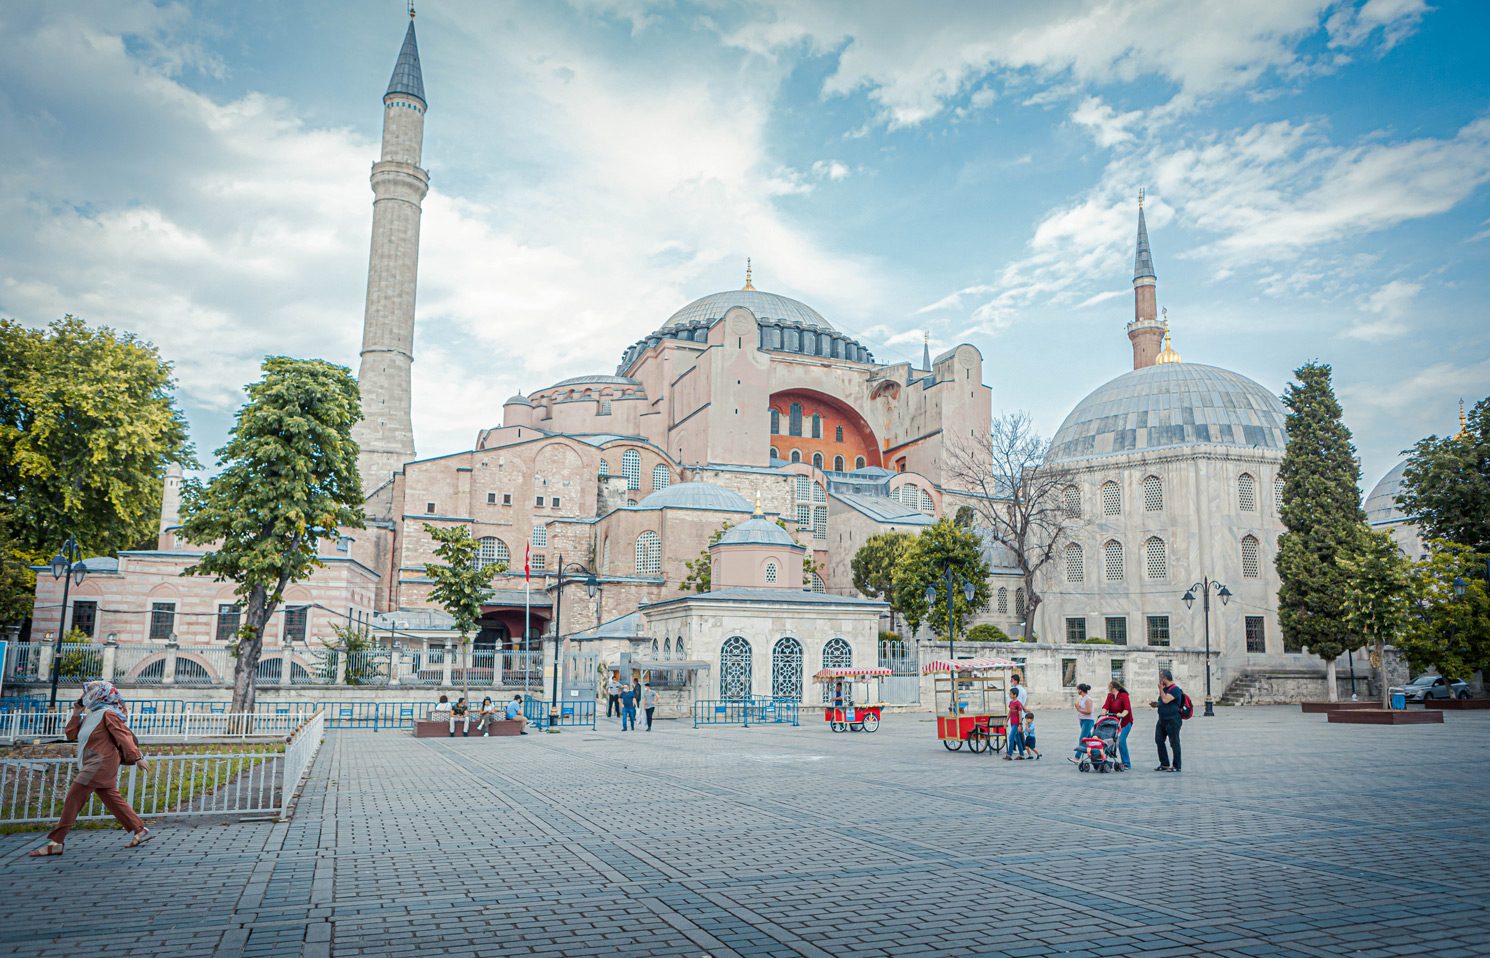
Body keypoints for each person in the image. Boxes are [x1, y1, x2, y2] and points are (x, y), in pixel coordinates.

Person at [30, 681, 151, 857]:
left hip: (99, 763)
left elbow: (123, 736)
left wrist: (138, 757)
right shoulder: (92, 714)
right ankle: (139, 830)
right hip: (93, 763)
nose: (85, 696)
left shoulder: (108, 714)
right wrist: (76, 713)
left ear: (101, 694)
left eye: (89, 692)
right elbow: (71, 735)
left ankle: (57, 842)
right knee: (112, 798)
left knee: (73, 798)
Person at [1150, 669, 1184, 772]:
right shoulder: (1164, 689)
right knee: (1159, 740)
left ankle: (1177, 765)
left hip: (1173, 720)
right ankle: (1164, 763)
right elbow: (1162, 701)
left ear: (1165, 678)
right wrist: (1156, 704)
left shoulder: (1175, 690)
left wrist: (1160, 689)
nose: (1159, 680)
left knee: (1174, 742)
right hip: (1162, 720)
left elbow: (1165, 699)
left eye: (1160, 677)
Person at [1102, 680, 1133, 769]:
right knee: (1109, 740)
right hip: (1114, 722)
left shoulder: (1123, 695)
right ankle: (1107, 757)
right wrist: (1103, 712)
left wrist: (1122, 714)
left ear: (1114, 688)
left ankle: (1126, 763)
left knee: (1121, 740)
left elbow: (1127, 708)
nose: (1108, 688)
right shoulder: (1110, 696)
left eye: (1109, 687)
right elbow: (1106, 706)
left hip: (1125, 722)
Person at [1072, 683, 1094, 759]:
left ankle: (1077, 757)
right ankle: (1094, 755)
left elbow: (1089, 711)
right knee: (1089, 739)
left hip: (1088, 721)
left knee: (1083, 739)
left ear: (1081, 690)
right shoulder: (1083, 699)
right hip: (1083, 720)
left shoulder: (1088, 699)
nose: (1077, 691)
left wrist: (1078, 709)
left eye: (1078, 689)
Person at [1004, 693, 1026, 759]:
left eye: (1011, 694)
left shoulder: (1018, 704)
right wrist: (1006, 721)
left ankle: (1009, 754)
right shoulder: (1011, 702)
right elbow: (1010, 712)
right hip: (1012, 722)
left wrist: (1020, 724)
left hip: (1016, 723)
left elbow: (1020, 715)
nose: (1010, 695)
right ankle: (1022, 754)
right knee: (1017, 739)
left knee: (1011, 737)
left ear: (1015, 695)